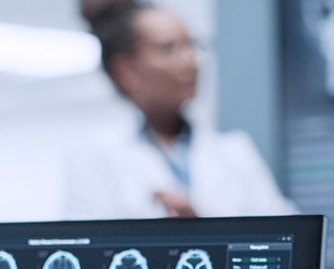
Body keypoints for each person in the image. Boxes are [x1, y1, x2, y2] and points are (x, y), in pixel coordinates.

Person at [65, 0, 299, 219]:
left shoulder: (235, 152)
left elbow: (291, 241)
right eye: (169, 48)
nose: (192, 60)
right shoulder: (94, 157)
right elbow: (89, 252)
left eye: (192, 45)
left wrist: (204, 228)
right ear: (125, 70)